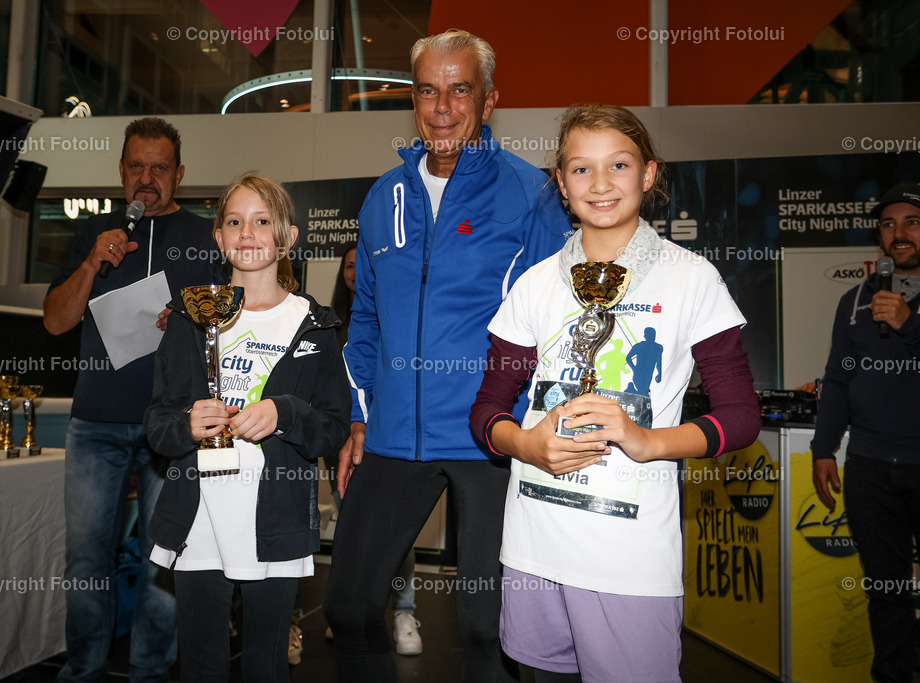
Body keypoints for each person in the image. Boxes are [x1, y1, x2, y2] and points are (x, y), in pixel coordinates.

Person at [470, 103, 760, 682]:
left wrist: (647, 441)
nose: (600, 184)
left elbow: (741, 417)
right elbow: (487, 410)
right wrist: (525, 446)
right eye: (580, 169)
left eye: (619, 165)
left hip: (629, 553)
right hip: (535, 539)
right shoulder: (534, 284)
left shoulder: (690, 277)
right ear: (560, 182)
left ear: (649, 175)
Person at [323, 29, 573, 681]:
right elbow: (367, 318)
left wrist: (536, 422)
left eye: (459, 89)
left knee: (485, 626)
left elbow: (560, 319)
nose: (442, 107)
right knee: (348, 607)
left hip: (491, 435)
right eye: (428, 90)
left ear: (488, 100)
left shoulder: (533, 195)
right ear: (413, 98)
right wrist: (359, 415)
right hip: (394, 434)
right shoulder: (383, 198)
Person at [143, 172, 350, 680]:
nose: (247, 233)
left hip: (274, 515)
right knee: (202, 661)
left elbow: (332, 428)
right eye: (234, 222)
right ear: (218, 238)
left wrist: (285, 413)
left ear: (288, 238)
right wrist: (186, 425)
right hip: (198, 513)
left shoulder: (318, 326)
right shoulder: (188, 318)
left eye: (262, 222)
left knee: (265, 661)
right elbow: (156, 421)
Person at [43, 116, 219, 682]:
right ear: (121, 170)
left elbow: (228, 331)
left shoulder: (205, 237)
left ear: (179, 174)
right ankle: (83, 669)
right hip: (95, 423)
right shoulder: (94, 233)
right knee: (86, 559)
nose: (147, 179)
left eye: (159, 168)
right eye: (136, 166)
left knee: (163, 560)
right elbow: (53, 322)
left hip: (172, 425)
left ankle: (149, 672)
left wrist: (189, 321)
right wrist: (93, 262)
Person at [812, 182, 920, 683]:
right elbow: (839, 377)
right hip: (868, 466)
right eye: (888, 224)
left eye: (913, 222)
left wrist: (911, 326)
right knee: (885, 590)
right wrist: (824, 449)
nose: (899, 234)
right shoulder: (857, 299)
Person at [323, 245, 423, 657]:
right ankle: (356, 612)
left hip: (382, 437)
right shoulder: (329, 323)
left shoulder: (392, 318)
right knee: (352, 526)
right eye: (348, 266)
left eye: (358, 265)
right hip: (339, 438)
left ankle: (404, 611)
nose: (354, 272)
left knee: (395, 534)